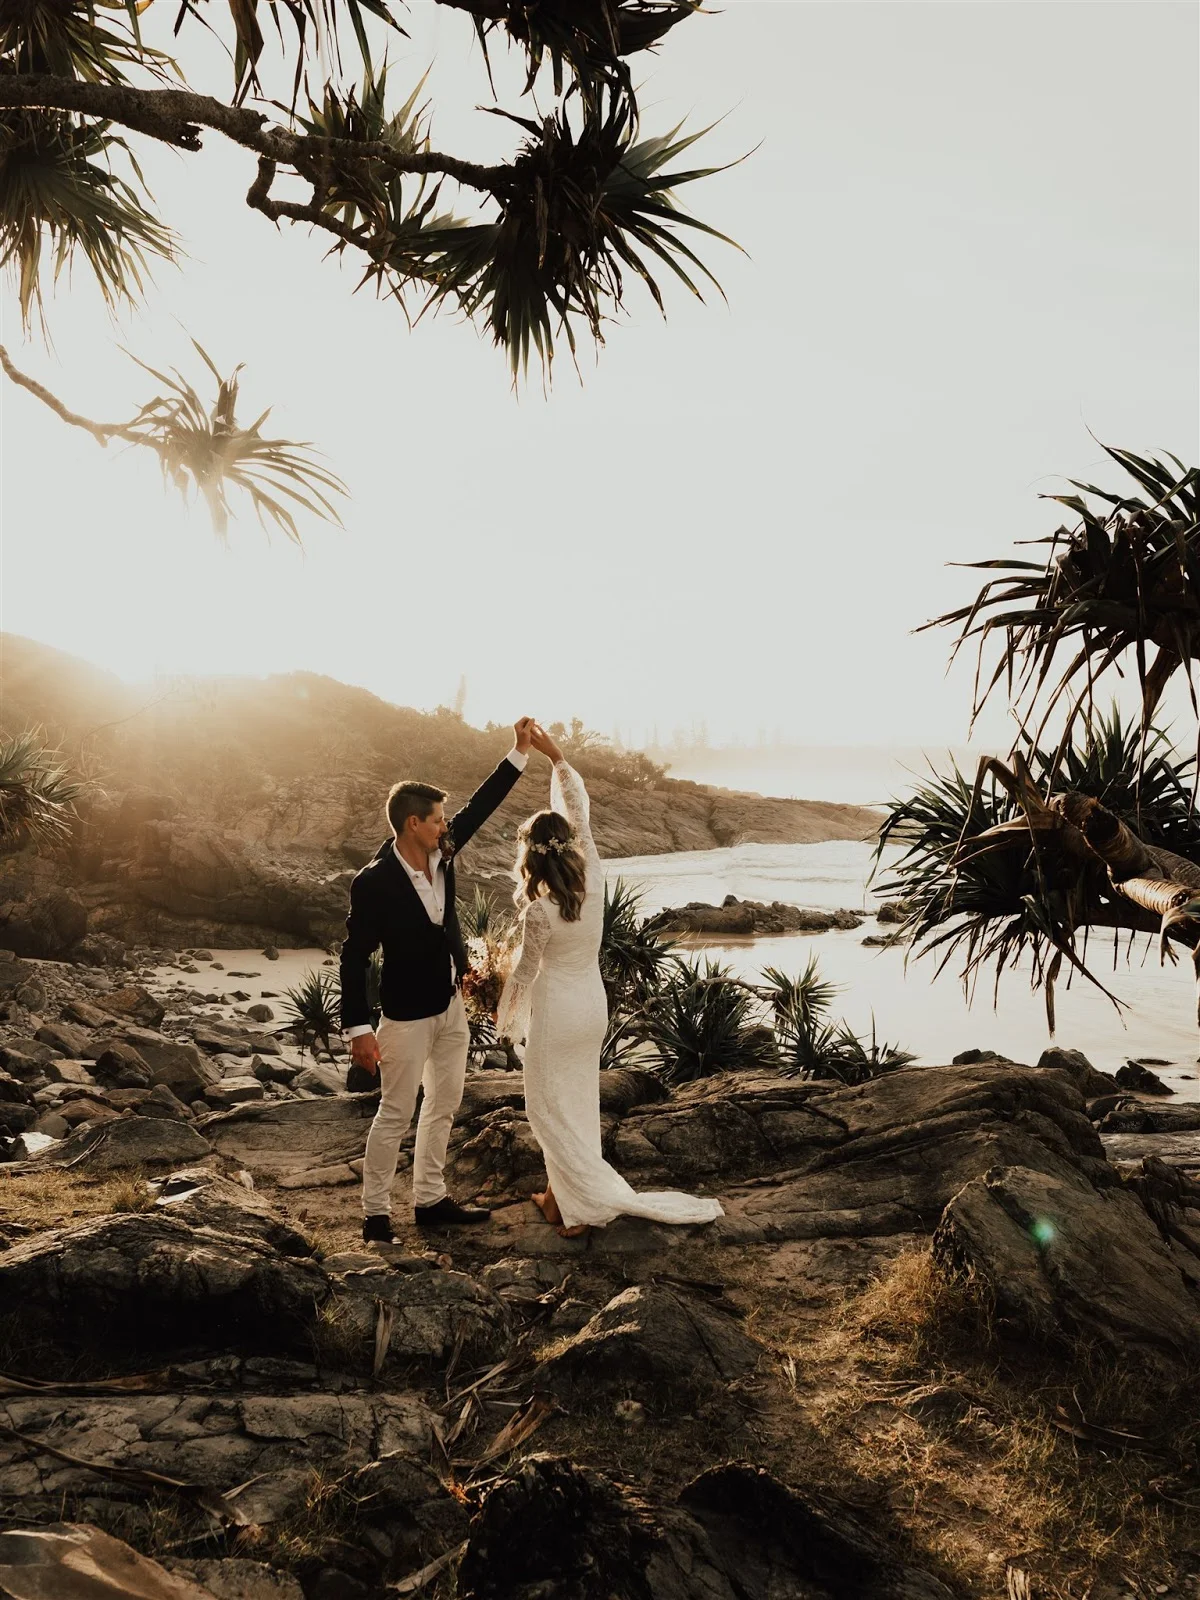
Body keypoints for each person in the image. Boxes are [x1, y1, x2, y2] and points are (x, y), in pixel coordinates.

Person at [497, 724, 723, 1238]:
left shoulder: (538, 912)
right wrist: (555, 756)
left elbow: (525, 974)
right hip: (591, 1007)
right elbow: (579, 809)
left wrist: (503, 1017)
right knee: (576, 1100)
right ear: (568, 848)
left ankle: (579, 1209)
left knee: (545, 1105)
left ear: (529, 856)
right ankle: (558, 1197)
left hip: (556, 1011)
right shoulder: (593, 881)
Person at [341, 717, 534, 1242]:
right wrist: (357, 1029)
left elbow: (481, 806)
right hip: (403, 1017)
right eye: (437, 821)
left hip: (450, 1008)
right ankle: (375, 1215)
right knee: (395, 1112)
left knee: (445, 1104)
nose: (447, 827)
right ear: (411, 824)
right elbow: (354, 954)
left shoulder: (443, 853)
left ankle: (430, 1199)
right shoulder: (374, 882)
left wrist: (516, 753)